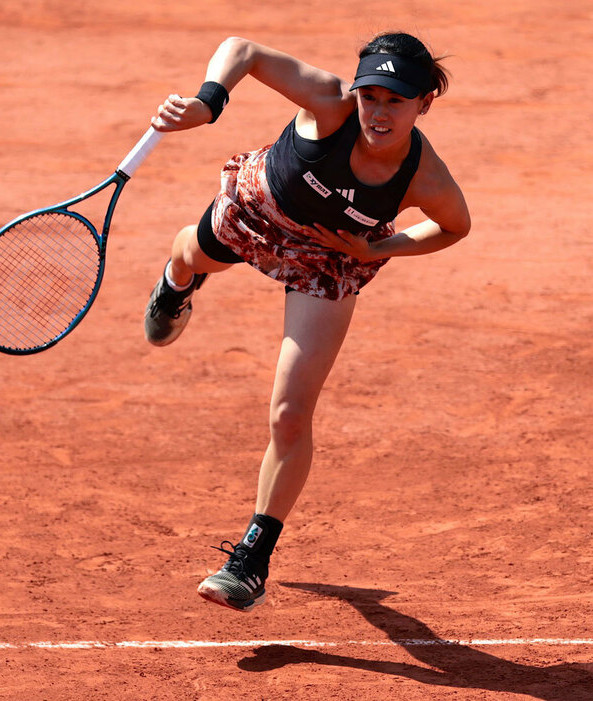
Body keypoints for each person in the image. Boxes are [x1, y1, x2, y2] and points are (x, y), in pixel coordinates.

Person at [144, 32, 471, 612]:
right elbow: (243, 49)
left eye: (396, 99)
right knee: (190, 256)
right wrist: (208, 102)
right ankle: (177, 285)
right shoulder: (327, 101)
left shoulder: (427, 178)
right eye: (371, 95)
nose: (378, 111)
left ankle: (250, 559)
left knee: (290, 415)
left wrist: (383, 248)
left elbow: (454, 226)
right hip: (261, 213)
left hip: (331, 257)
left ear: (424, 103)